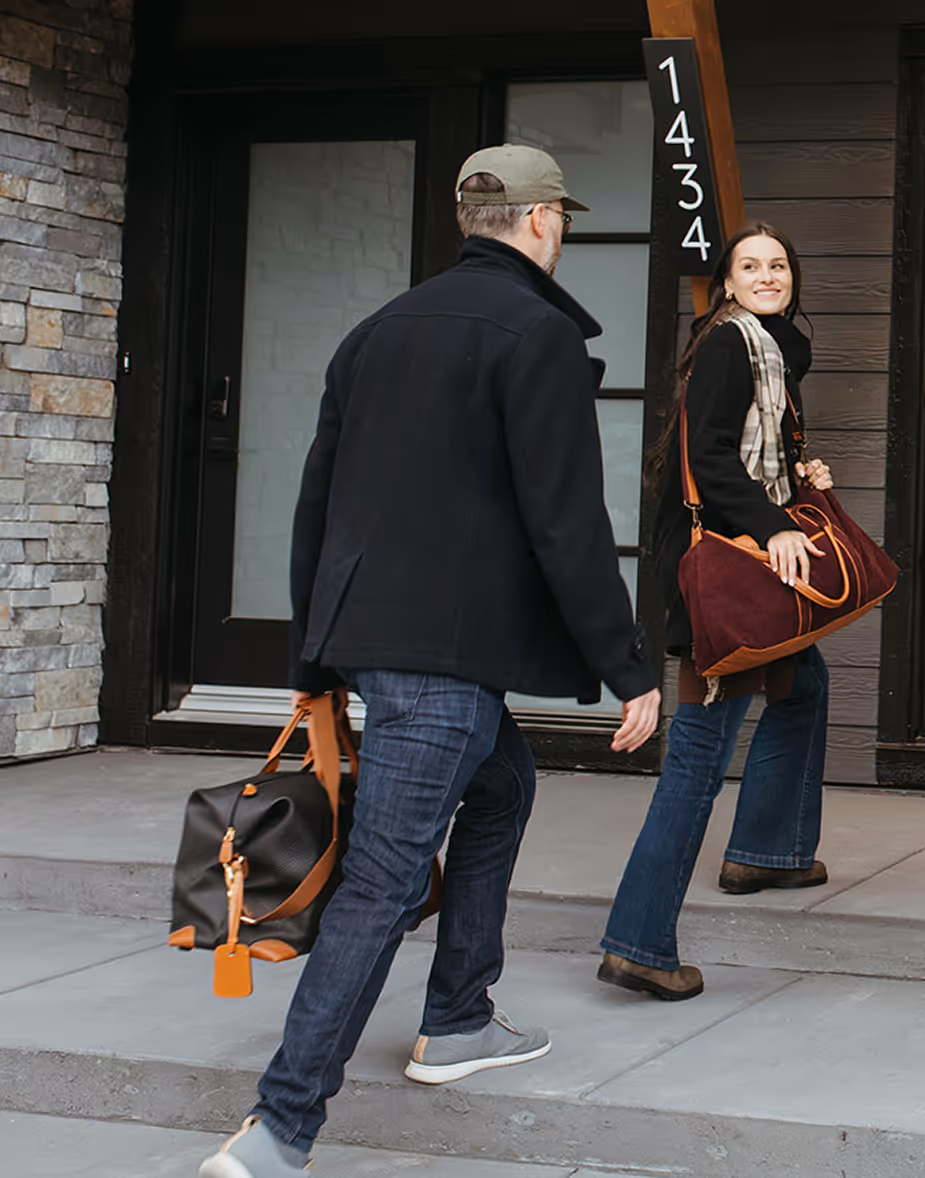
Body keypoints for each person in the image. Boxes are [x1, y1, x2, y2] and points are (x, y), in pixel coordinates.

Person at [199, 144, 661, 1178]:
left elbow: (317, 502)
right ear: (542, 222)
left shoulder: (375, 331)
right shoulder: (536, 332)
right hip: (441, 663)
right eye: (562, 219)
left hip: (378, 639)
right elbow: (567, 520)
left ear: (470, 220)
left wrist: (310, 656)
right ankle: (279, 1127)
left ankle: (456, 1015)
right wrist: (629, 664)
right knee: (381, 880)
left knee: (503, 786)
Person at [597, 223, 833, 1003]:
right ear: (727, 284)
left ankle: (767, 848)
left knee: (807, 683)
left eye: (779, 265)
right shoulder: (730, 345)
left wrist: (802, 476)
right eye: (750, 266)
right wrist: (773, 525)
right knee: (699, 754)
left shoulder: (769, 351)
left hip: (746, 565)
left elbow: (748, 453)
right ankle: (638, 942)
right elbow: (711, 463)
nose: (767, 276)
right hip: (722, 580)